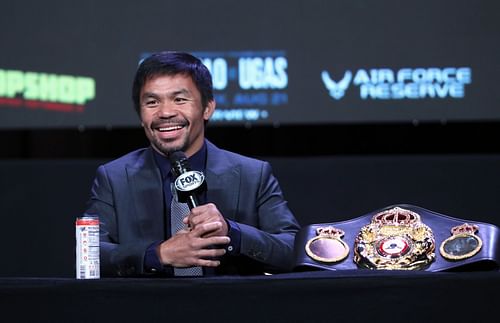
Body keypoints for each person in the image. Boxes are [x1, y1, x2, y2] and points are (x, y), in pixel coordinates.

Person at [83, 51, 300, 277]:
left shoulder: (253, 175)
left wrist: (232, 233)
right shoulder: (113, 177)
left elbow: (292, 249)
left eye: (180, 99)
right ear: (140, 115)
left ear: (207, 108)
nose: (165, 112)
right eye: (152, 102)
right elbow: (88, 256)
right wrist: (158, 254)